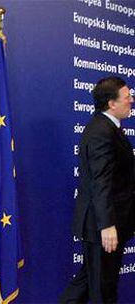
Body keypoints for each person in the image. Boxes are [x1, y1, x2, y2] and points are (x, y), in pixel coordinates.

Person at [60, 76, 135, 303]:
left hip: (108, 222)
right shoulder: (101, 131)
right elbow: (100, 181)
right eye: (127, 97)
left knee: (88, 282)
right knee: (102, 288)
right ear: (111, 103)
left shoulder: (108, 128)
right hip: (103, 225)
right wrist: (107, 225)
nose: (131, 100)